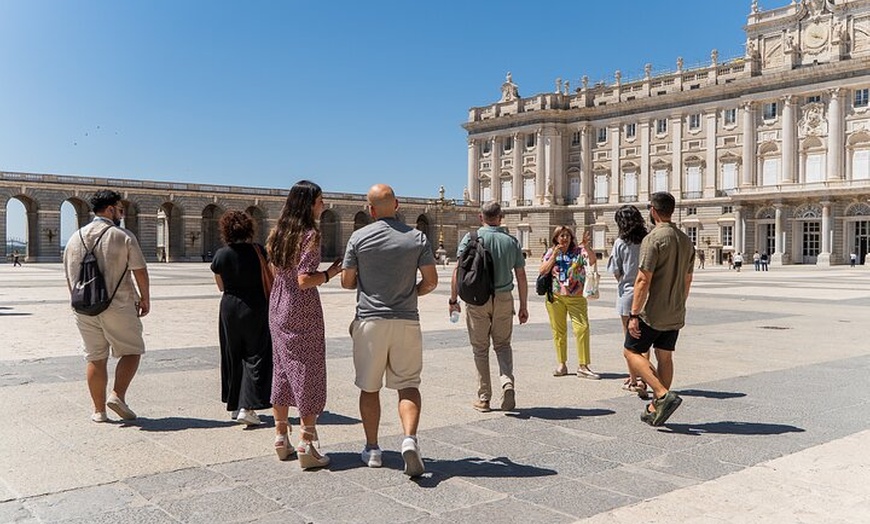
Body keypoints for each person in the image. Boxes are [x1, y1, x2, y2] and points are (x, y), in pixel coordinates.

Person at [341, 184, 437, 478]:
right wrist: (409, 294)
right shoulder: (417, 237)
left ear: (370, 210)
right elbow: (431, 281)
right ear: (396, 204)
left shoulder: (358, 237)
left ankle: (372, 450)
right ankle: (409, 439)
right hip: (406, 320)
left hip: (370, 321)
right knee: (408, 385)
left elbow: (347, 282)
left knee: (369, 388)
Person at [266, 180, 342, 469]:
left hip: (278, 306)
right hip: (302, 309)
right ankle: (307, 443)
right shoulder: (310, 235)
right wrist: (329, 273)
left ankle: (280, 437)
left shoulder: (277, 234)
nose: (324, 204)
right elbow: (304, 279)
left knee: (283, 369)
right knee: (308, 371)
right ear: (308, 203)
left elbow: (278, 273)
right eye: (320, 199)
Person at [63, 189, 149, 423]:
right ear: (110, 209)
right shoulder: (122, 236)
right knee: (132, 350)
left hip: (83, 308)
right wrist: (145, 298)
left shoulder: (74, 238)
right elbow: (140, 270)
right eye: (120, 209)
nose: (121, 214)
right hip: (118, 306)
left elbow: (69, 276)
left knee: (95, 358)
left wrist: (78, 302)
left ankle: (98, 411)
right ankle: (117, 396)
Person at [449, 201, 528, 413]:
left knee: (480, 349)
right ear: (501, 217)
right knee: (502, 345)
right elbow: (521, 275)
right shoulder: (511, 241)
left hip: (476, 299)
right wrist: (523, 305)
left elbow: (458, 271)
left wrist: (453, 300)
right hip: (503, 298)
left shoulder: (470, 238)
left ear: (480, 217)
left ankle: (484, 398)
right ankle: (507, 382)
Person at [624, 192, 694, 427]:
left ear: (653, 210)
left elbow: (643, 280)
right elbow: (687, 280)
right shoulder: (686, 240)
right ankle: (655, 407)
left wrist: (634, 313)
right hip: (675, 310)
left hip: (652, 312)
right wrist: (679, 302)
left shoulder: (653, 239)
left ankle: (663, 395)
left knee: (631, 352)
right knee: (665, 356)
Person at [210, 210, 273, 427]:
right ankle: (248, 407)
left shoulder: (220, 255)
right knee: (256, 354)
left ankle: (236, 404)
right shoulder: (259, 251)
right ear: (249, 228)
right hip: (256, 306)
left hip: (229, 307)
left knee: (232, 354)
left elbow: (221, 287)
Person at [540, 225, 599, 380]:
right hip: (555, 296)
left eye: (567, 235)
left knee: (582, 329)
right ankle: (562, 364)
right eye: (561, 236)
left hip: (576, 296)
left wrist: (587, 247)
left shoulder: (578, 252)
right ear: (556, 238)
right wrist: (553, 256)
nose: (564, 238)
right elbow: (543, 270)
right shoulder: (550, 252)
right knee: (558, 331)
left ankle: (583, 365)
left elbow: (592, 261)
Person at [606, 205, 650, 399]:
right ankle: (644, 379)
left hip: (627, 294)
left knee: (630, 342)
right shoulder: (648, 241)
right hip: (648, 294)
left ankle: (633, 379)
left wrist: (625, 282)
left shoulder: (620, 243)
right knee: (645, 341)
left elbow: (616, 270)